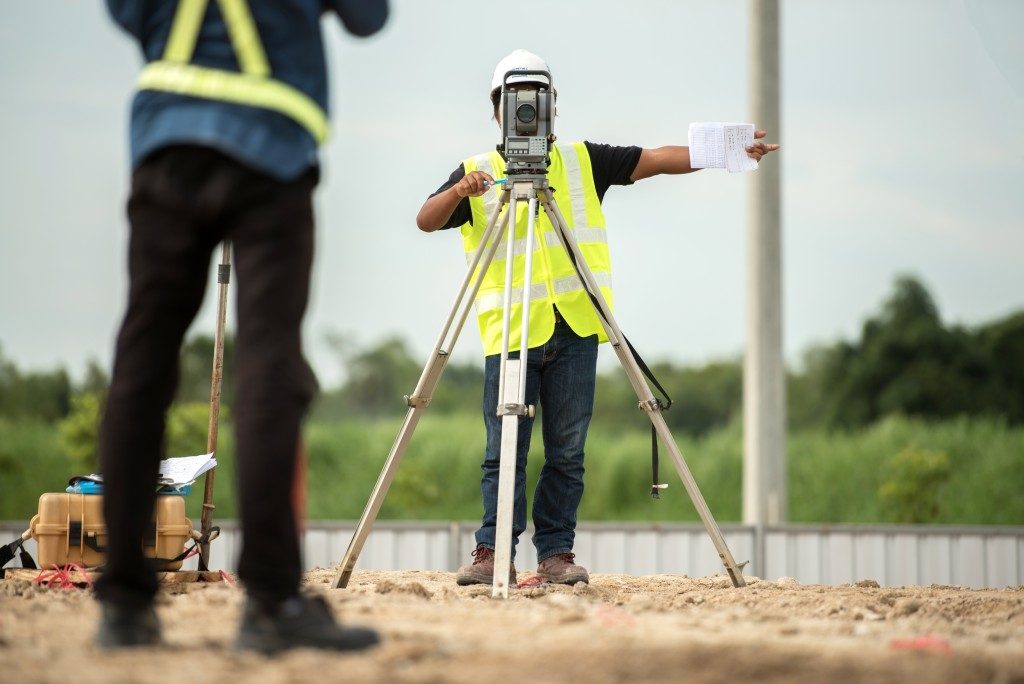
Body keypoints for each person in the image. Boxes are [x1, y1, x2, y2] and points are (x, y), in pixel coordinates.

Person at [416, 49, 778, 587]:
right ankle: (492, 552)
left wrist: (726, 151)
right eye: (515, 103)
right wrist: (459, 192)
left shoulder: (583, 161)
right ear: (497, 110)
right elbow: (426, 219)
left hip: (578, 329)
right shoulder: (478, 174)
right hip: (512, 334)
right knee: (504, 451)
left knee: (567, 450)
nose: (527, 113)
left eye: (536, 102)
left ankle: (555, 555)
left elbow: (655, 158)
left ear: (552, 107)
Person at [95, 0, 388, 653]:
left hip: (166, 140)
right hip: (272, 155)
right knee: (268, 368)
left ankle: (123, 606)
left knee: (142, 366)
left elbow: (124, 11)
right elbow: (370, 17)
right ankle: (270, 602)